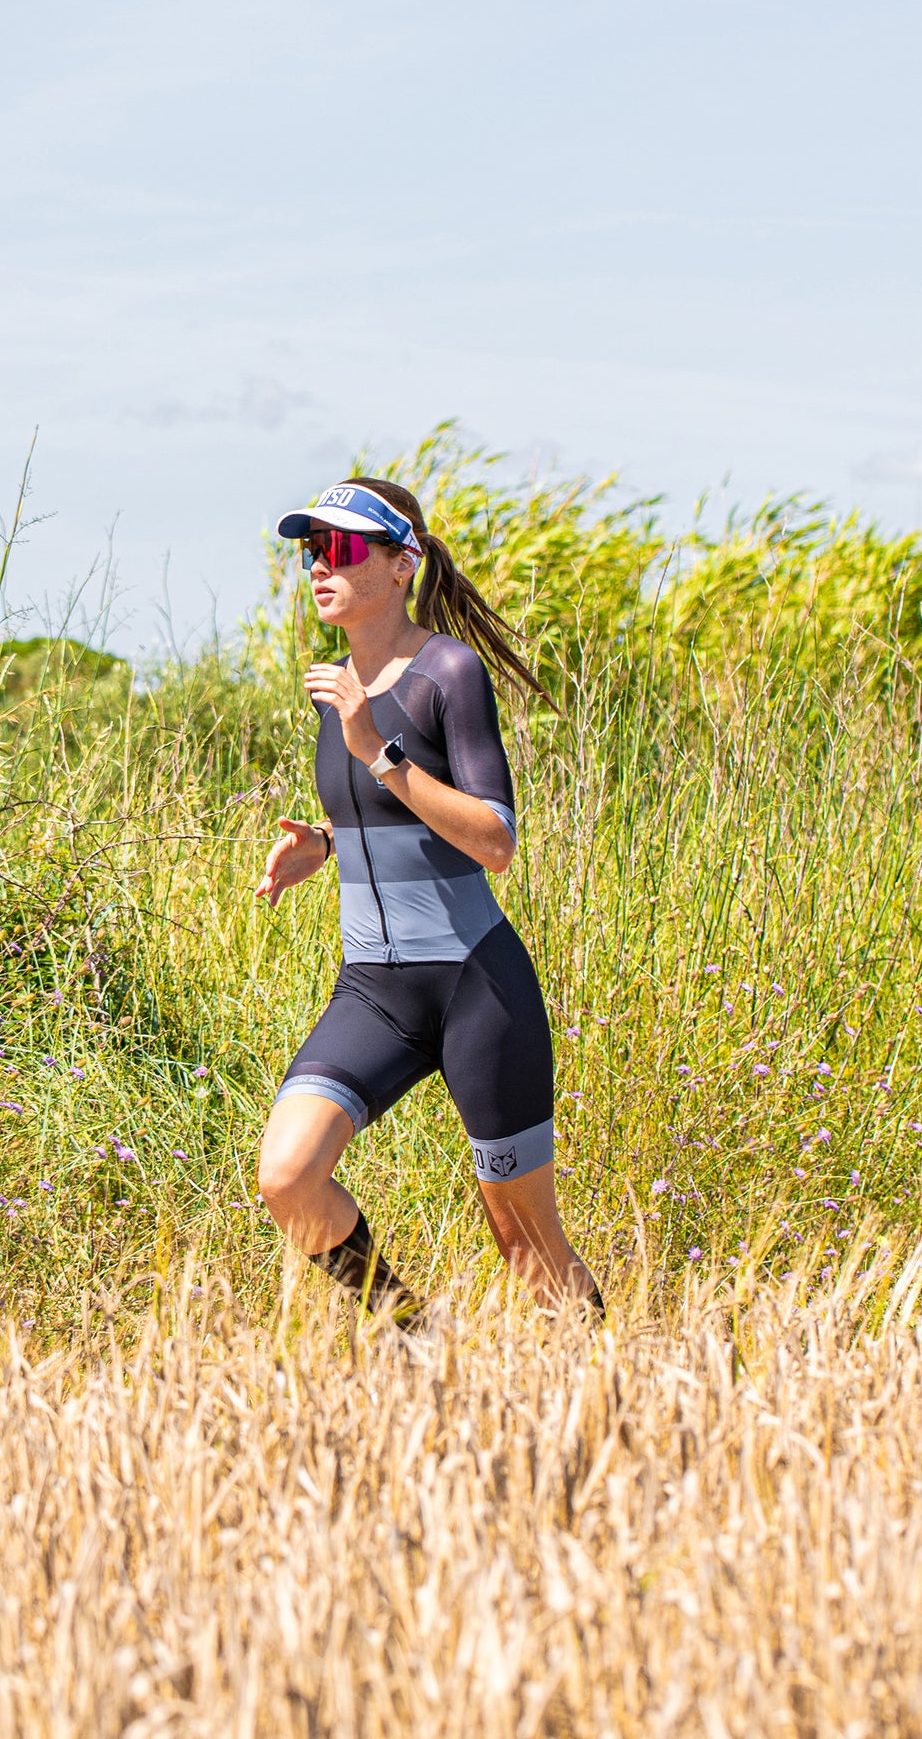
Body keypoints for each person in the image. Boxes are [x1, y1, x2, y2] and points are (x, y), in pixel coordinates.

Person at [253, 475, 602, 1327]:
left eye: (337, 548)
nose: (317, 568)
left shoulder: (446, 670)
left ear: (400, 562)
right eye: (309, 551)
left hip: (473, 986)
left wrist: (374, 751)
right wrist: (324, 846)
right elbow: (396, 820)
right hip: (374, 988)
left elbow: (494, 839)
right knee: (286, 1177)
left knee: (523, 1241)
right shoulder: (336, 687)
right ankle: (415, 1339)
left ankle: (612, 1402)